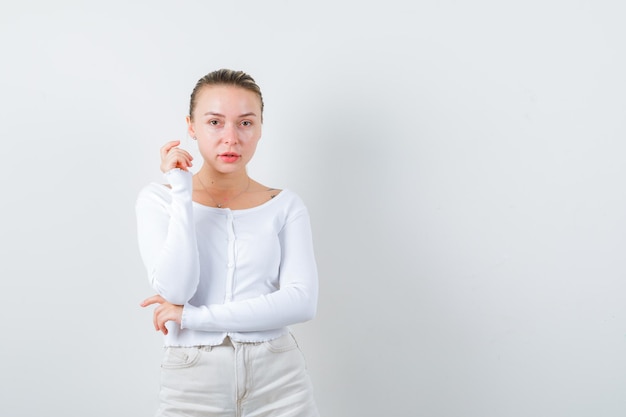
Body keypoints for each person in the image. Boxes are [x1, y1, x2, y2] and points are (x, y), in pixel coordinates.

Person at [135, 69, 320, 417]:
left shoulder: (284, 205)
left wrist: (194, 318)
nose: (231, 138)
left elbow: (301, 302)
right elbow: (176, 290)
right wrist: (182, 191)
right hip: (191, 382)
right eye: (215, 122)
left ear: (261, 127)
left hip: (280, 380)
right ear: (191, 126)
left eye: (246, 123)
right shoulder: (159, 200)